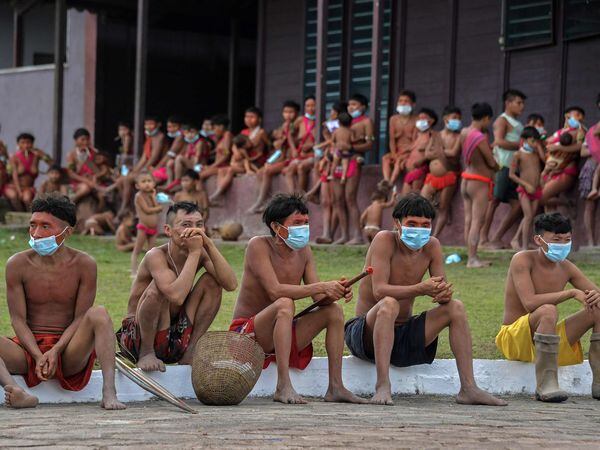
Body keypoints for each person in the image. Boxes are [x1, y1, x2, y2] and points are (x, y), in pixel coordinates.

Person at [345, 194, 506, 406]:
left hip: (402, 338)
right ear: (397, 223)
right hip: (365, 335)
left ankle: (469, 388)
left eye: (425, 225)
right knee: (389, 303)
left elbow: (440, 290)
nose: (418, 230)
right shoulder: (384, 240)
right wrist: (421, 288)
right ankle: (382, 385)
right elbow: (379, 291)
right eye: (412, 224)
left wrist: (443, 294)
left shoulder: (432, 245)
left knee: (455, 307)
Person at [229, 194, 365, 404]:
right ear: (276, 227)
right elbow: (275, 291)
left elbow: (318, 298)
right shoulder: (258, 246)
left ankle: (336, 387)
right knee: (284, 302)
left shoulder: (304, 251)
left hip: (281, 329)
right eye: (297, 223)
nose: (303, 228)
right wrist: (322, 286)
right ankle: (283, 386)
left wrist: (335, 291)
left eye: (306, 223)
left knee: (334, 311)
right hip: (248, 335)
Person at [1, 194, 125, 409]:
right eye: (33, 225)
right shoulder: (17, 264)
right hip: (28, 350)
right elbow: (18, 320)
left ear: (67, 232)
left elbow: (80, 318)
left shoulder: (85, 264)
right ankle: (16, 390)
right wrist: (38, 355)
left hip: (69, 352)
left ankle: (109, 391)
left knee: (100, 313)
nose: (37, 234)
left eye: (46, 227)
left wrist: (56, 350)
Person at [118, 201, 237, 370]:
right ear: (168, 230)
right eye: (186, 225)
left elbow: (231, 284)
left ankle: (190, 351)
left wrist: (208, 245)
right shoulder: (156, 255)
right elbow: (176, 297)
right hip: (137, 337)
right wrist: (195, 252)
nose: (194, 230)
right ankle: (147, 353)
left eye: (199, 225)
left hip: (174, 334)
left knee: (213, 282)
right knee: (157, 289)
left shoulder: (201, 252)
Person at [496, 212, 600, 402]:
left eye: (567, 240)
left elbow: (595, 292)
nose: (562, 245)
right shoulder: (522, 259)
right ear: (538, 239)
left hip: (547, 343)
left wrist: (595, 296)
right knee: (547, 310)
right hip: (515, 339)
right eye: (556, 239)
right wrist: (570, 293)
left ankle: (599, 382)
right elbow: (530, 302)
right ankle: (546, 384)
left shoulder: (566, 266)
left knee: (597, 307)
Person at [480, 89, 526, 249]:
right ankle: (483, 239)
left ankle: (496, 238)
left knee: (517, 205)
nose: (522, 106)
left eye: (523, 103)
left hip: (514, 168)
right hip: (502, 165)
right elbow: (499, 141)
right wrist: (522, 145)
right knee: (494, 201)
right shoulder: (502, 120)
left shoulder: (517, 123)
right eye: (519, 103)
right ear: (508, 103)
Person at [460, 103, 499, 268]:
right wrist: (498, 165)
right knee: (477, 221)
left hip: (466, 178)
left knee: (469, 220)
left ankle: (470, 255)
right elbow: (491, 162)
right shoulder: (479, 137)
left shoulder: (463, 132)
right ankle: (472, 259)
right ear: (485, 118)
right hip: (479, 181)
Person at [331, 94, 374, 245]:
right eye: (349, 105)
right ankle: (344, 235)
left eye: (355, 104)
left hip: (353, 161)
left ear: (363, 106)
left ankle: (357, 236)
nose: (351, 107)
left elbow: (369, 145)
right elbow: (333, 142)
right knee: (338, 199)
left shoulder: (366, 122)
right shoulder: (343, 123)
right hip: (338, 161)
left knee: (350, 198)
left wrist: (351, 147)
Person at [248, 101, 299, 213]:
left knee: (267, 171)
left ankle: (262, 201)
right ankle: (262, 201)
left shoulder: (296, 126)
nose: (288, 115)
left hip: (291, 159)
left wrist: (286, 137)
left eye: (291, 112)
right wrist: (270, 161)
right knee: (261, 171)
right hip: (282, 158)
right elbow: (279, 150)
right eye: (285, 112)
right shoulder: (282, 127)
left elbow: (289, 147)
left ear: (296, 113)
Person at [540, 106, 585, 212]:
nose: (577, 118)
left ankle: (567, 203)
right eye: (574, 115)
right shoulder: (560, 132)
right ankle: (550, 228)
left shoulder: (581, 132)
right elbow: (547, 141)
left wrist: (559, 147)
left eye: (580, 116)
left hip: (565, 171)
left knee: (540, 199)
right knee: (548, 208)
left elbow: (580, 146)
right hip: (550, 169)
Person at [508, 127, 545, 251]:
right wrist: (525, 184)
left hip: (536, 190)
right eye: (532, 141)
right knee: (528, 216)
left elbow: (542, 163)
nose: (535, 144)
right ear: (524, 140)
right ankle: (524, 246)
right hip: (524, 190)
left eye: (536, 141)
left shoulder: (535, 154)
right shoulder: (518, 154)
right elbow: (511, 174)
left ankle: (525, 242)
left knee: (530, 217)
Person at [5, 133, 53, 211]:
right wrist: (19, 191)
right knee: (14, 197)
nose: (26, 145)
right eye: (23, 143)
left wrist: (42, 154)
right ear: (18, 144)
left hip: (28, 187)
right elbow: (14, 175)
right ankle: (20, 218)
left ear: (32, 144)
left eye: (28, 142)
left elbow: (52, 163)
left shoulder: (36, 155)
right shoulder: (14, 157)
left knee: (27, 199)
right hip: (14, 186)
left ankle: (31, 218)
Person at [401, 108, 440, 196]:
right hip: (409, 171)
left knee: (415, 196)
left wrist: (422, 160)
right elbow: (412, 150)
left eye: (423, 118)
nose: (420, 121)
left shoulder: (433, 135)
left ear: (431, 121)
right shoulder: (417, 135)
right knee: (404, 199)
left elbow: (435, 152)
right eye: (419, 118)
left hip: (420, 169)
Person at [131, 172, 163, 276]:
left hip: (153, 228)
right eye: (143, 181)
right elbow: (148, 210)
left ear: (154, 183)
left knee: (151, 251)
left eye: (149, 181)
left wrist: (154, 197)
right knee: (137, 250)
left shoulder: (151, 195)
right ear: (137, 185)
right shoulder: (139, 196)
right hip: (143, 227)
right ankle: (134, 271)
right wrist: (159, 208)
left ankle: (148, 271)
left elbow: (156, 206)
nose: (147, 184)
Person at [209, 135, 257, 205]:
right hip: (235, 166)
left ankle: (217, 194)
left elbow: (247, 160)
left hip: (241, 168)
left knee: (230, 170)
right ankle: (219, 191)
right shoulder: (235, 149)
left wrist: (256, 157)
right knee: (221, 170)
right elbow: (227, 152)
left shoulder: (242, 151)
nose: (250, 142)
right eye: (248, 141)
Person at [383, 90, 418, 185]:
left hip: (409, 152)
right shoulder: (393, 119)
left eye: (406, 101)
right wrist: (394, 153)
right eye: (400, 101)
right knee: (385, 158)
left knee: (398, 161)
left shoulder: (416, 119)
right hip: (397, 151)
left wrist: (404, 153)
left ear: (413, 104)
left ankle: (391, 183)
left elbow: (415, 142)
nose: (402, 103)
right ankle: (385, 181)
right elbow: (392, 140)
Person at [285, 96, 317, 193]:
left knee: (301, 167)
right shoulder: (300, 120)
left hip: (314, 155)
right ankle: (292, 196)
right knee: (289, 170)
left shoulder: (322, 120)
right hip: (300, 154)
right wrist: (293, 149)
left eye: (313, 105)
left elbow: (329, 140)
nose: (310, 108)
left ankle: (300, 196)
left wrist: (311, 145)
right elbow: (289, 134)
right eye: (307, 106)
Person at [580, 95, 600, 246]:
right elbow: (582, 152)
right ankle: (591, 242)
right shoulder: (592, 130)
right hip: (592, 167)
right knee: (590, 204)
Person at [65, 128, 100, 205]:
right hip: (78, 182)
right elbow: (71, 173)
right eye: (82, 140)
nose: (86, 142)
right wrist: (86, 181)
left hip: (93, 180)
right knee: (85, 188)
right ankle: (71, 202)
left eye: (87, 139)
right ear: (76, 141)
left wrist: (93, 178)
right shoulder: (72, 155)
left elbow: (97, 171)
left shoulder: (94, 152)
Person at [199, 115, 233, 181]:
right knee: (197, 170)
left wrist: (212, 166)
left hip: (223, 166)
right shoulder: (221, 138)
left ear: (221, 127)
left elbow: (226, 154)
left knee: (199, 176)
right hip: (217, 165)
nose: (213, 131)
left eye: (214, 128)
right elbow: (219, 151)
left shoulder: (227, 135)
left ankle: (200, 191)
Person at [329, 112, 354, 183]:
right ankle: (343, 176)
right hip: (346, 150)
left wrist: (333, 147)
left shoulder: (336, 131)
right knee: (345, 164)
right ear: (350, 123)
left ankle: (331, 174)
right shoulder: (350, 132)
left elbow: (332, 140)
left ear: (339, 123)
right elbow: (353, 140)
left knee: (334, 163)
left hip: (338, 150)